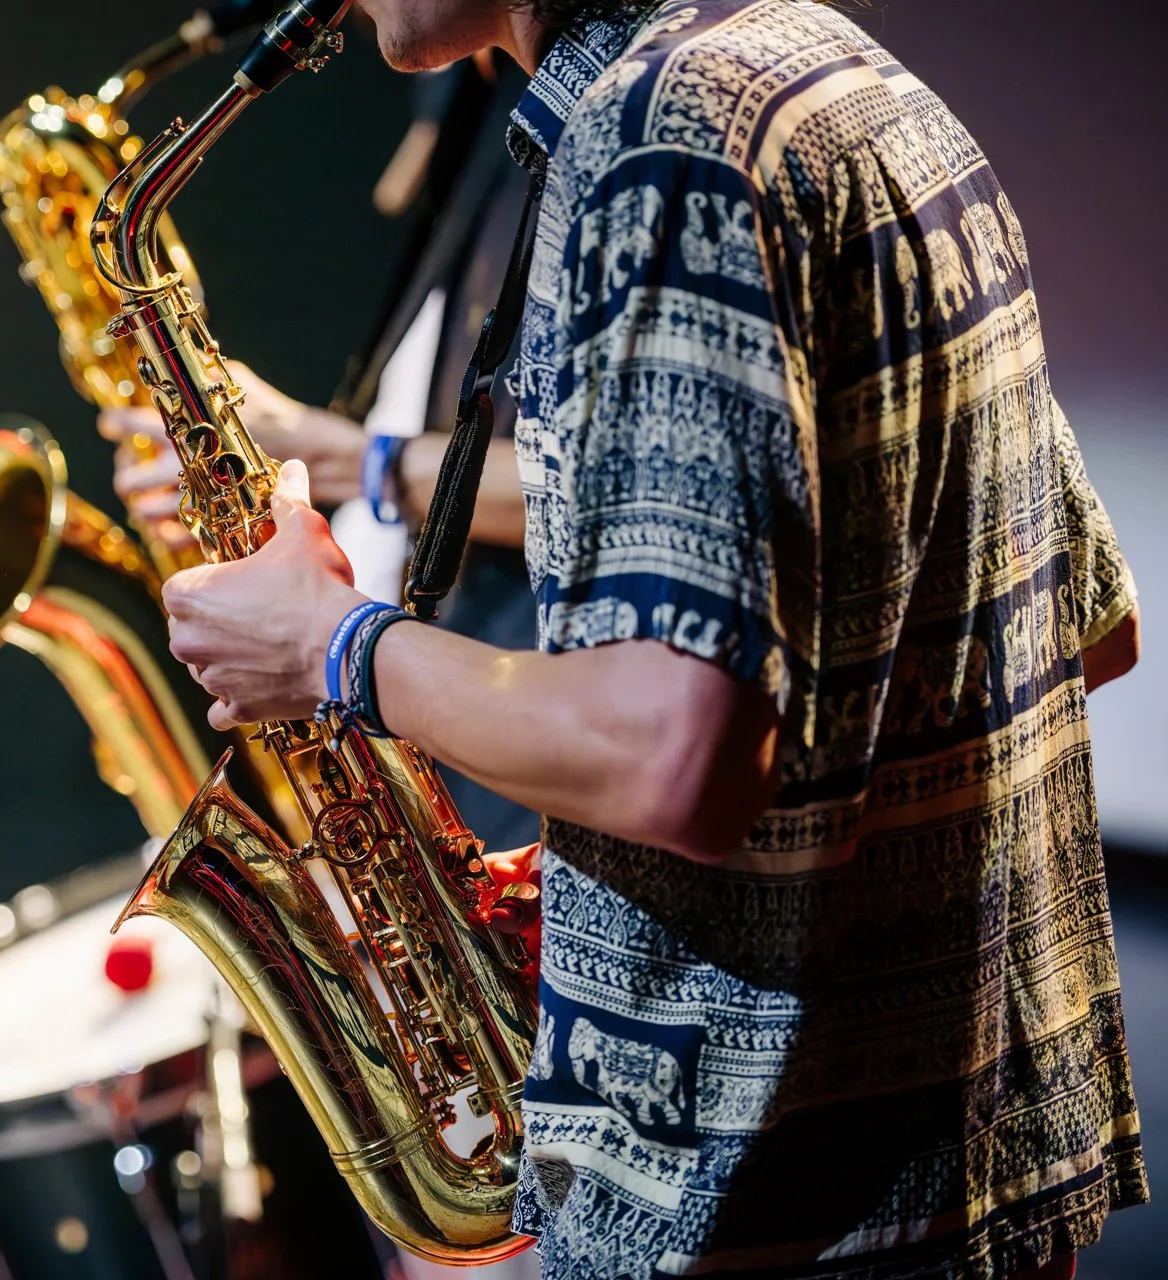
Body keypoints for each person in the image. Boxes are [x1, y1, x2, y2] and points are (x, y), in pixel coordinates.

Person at [156, 1, 1147, 1277]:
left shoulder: (661, 148)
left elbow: (677, 759)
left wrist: (333, 650)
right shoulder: (845, 79)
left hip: (765, 1204)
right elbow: (1084, 626)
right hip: (960, 1171)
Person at [107, 55, 545, 854]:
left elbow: (596, 493)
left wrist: (357, 464)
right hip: (437, 732)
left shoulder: (620, 109)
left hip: (527, 776)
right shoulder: (488, 102)